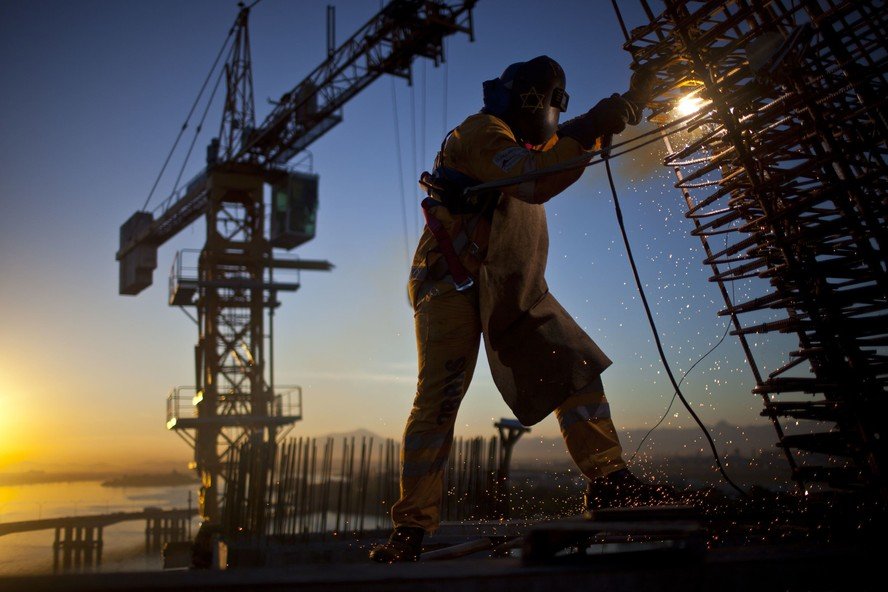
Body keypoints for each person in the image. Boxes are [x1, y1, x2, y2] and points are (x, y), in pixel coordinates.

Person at [370, 55, 667, 564]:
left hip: (507, 283)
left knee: (571, 362)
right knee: (442, 395)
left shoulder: (525, 141)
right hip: (451, 280)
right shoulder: (483, 133)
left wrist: (629, 104)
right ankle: (411, 530)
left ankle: (609, 481)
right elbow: (535, 178)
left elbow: (562, 142)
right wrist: (593, 125)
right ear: (535, 100)